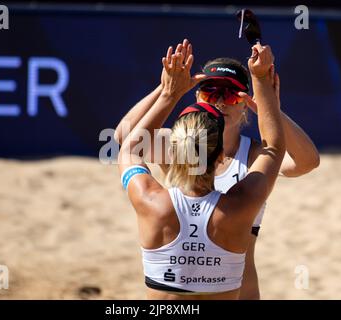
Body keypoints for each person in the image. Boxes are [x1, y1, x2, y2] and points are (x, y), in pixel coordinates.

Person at [115, 39, 319, 299]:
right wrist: (166, 88)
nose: (221, 101)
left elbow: (307, 161)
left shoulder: (252, 153)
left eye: (231, 94)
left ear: (245, 102)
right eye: (211, 91)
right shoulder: (180, 144)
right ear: (198, 95)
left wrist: (170, 91)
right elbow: (123, 134)